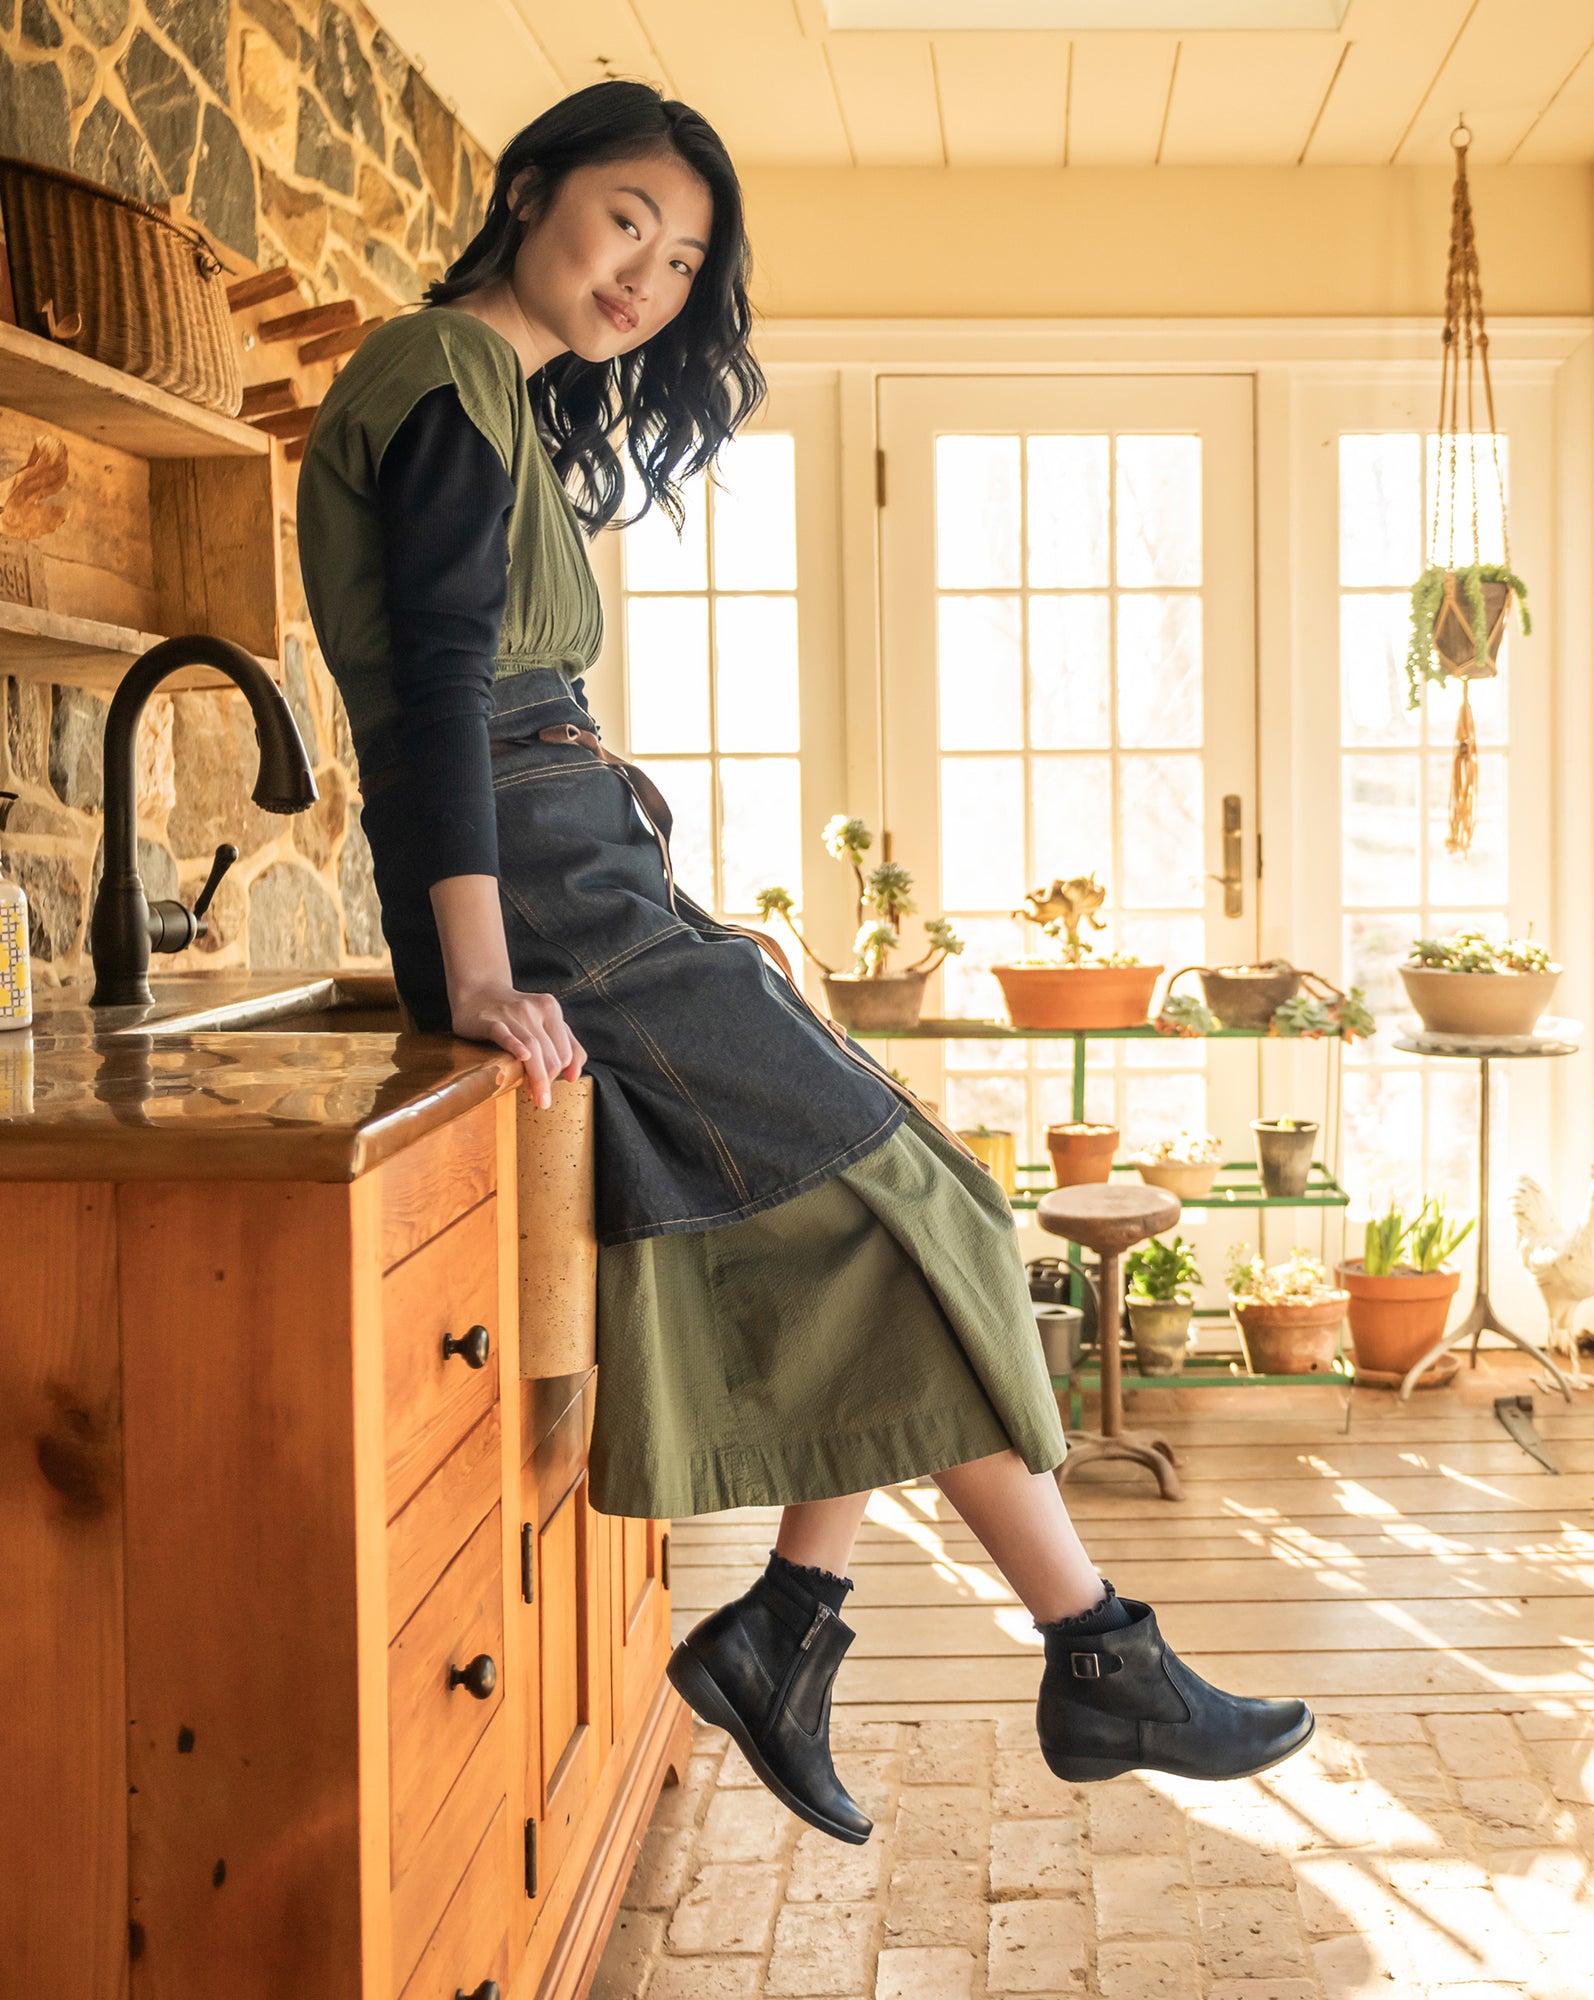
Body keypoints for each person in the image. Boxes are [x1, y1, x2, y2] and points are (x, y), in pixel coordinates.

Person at [297, 79, 1313, 1845]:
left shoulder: (497, 401)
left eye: (684, 258)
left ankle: (813, 1628)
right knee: (929, 1198)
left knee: (912, 1208)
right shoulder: (444, 378)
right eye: (628, 222)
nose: (650, 276)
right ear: (534, 189)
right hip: (549, 895)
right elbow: (443, 693)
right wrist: (473, 969)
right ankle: (1074, 1648)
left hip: (584, 869)